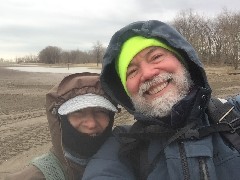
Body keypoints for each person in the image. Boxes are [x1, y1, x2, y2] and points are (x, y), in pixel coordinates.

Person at [82, 20, 240, 180]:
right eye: (132, 71)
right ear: (126, 92)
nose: (148, 73)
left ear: (183, 60)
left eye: (156, 57)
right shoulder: (122, 147)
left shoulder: (233, 114)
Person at [5, 72, 119, 180]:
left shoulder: (130, 163)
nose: (91, 124)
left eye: (100, 111)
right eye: (78, 111)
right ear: (60, 119)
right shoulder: (36, 176)